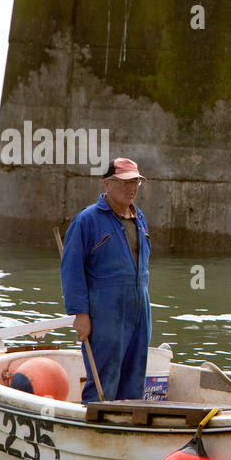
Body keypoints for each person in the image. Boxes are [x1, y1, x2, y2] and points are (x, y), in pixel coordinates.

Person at [60, 157, 152, 402]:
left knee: (135, 374)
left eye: (136, 183)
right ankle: (96, 428)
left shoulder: (139, 218)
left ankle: (128, 429)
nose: (132, 188)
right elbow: (71, 271)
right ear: (107, 184)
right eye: (125, 183)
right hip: (105, 311)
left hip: (139, 307)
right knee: (103, 377)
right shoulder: (87, 220)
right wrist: (79, 313)